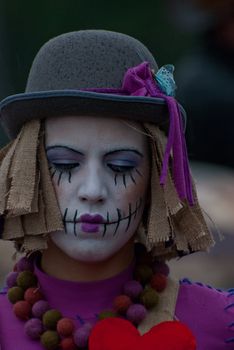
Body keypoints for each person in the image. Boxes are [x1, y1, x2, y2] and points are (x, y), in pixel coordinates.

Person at [0, 30, 233, 350]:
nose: (93, 190)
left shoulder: (221, 325)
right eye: (66, 164)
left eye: (121, 166)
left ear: (154, 180)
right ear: (27, 171)